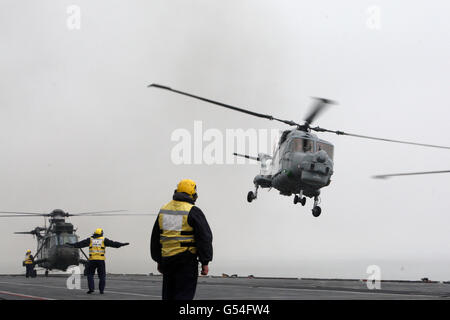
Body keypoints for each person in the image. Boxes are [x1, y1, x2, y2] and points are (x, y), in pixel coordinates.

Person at [151, 179, 213, 300]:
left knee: (169, 296)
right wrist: (205, 261)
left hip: (167, 261)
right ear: (193, 194)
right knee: (184, 295)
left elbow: (156, 237)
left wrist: (158, 260)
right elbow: (204, 237)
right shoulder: (193, 211)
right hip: (186, 260)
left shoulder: (164, 209)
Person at [67, 228, 129, 294]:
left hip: (92, 260)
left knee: (90, 275)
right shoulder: (103, 239)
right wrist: (122, 244)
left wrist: (71, 245)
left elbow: (80, 244)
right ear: (101, 233)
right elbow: (113, 243)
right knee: (102, 276)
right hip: (101, 261)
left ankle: (91, 289)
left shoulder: (90, 239)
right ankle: (101, 290)